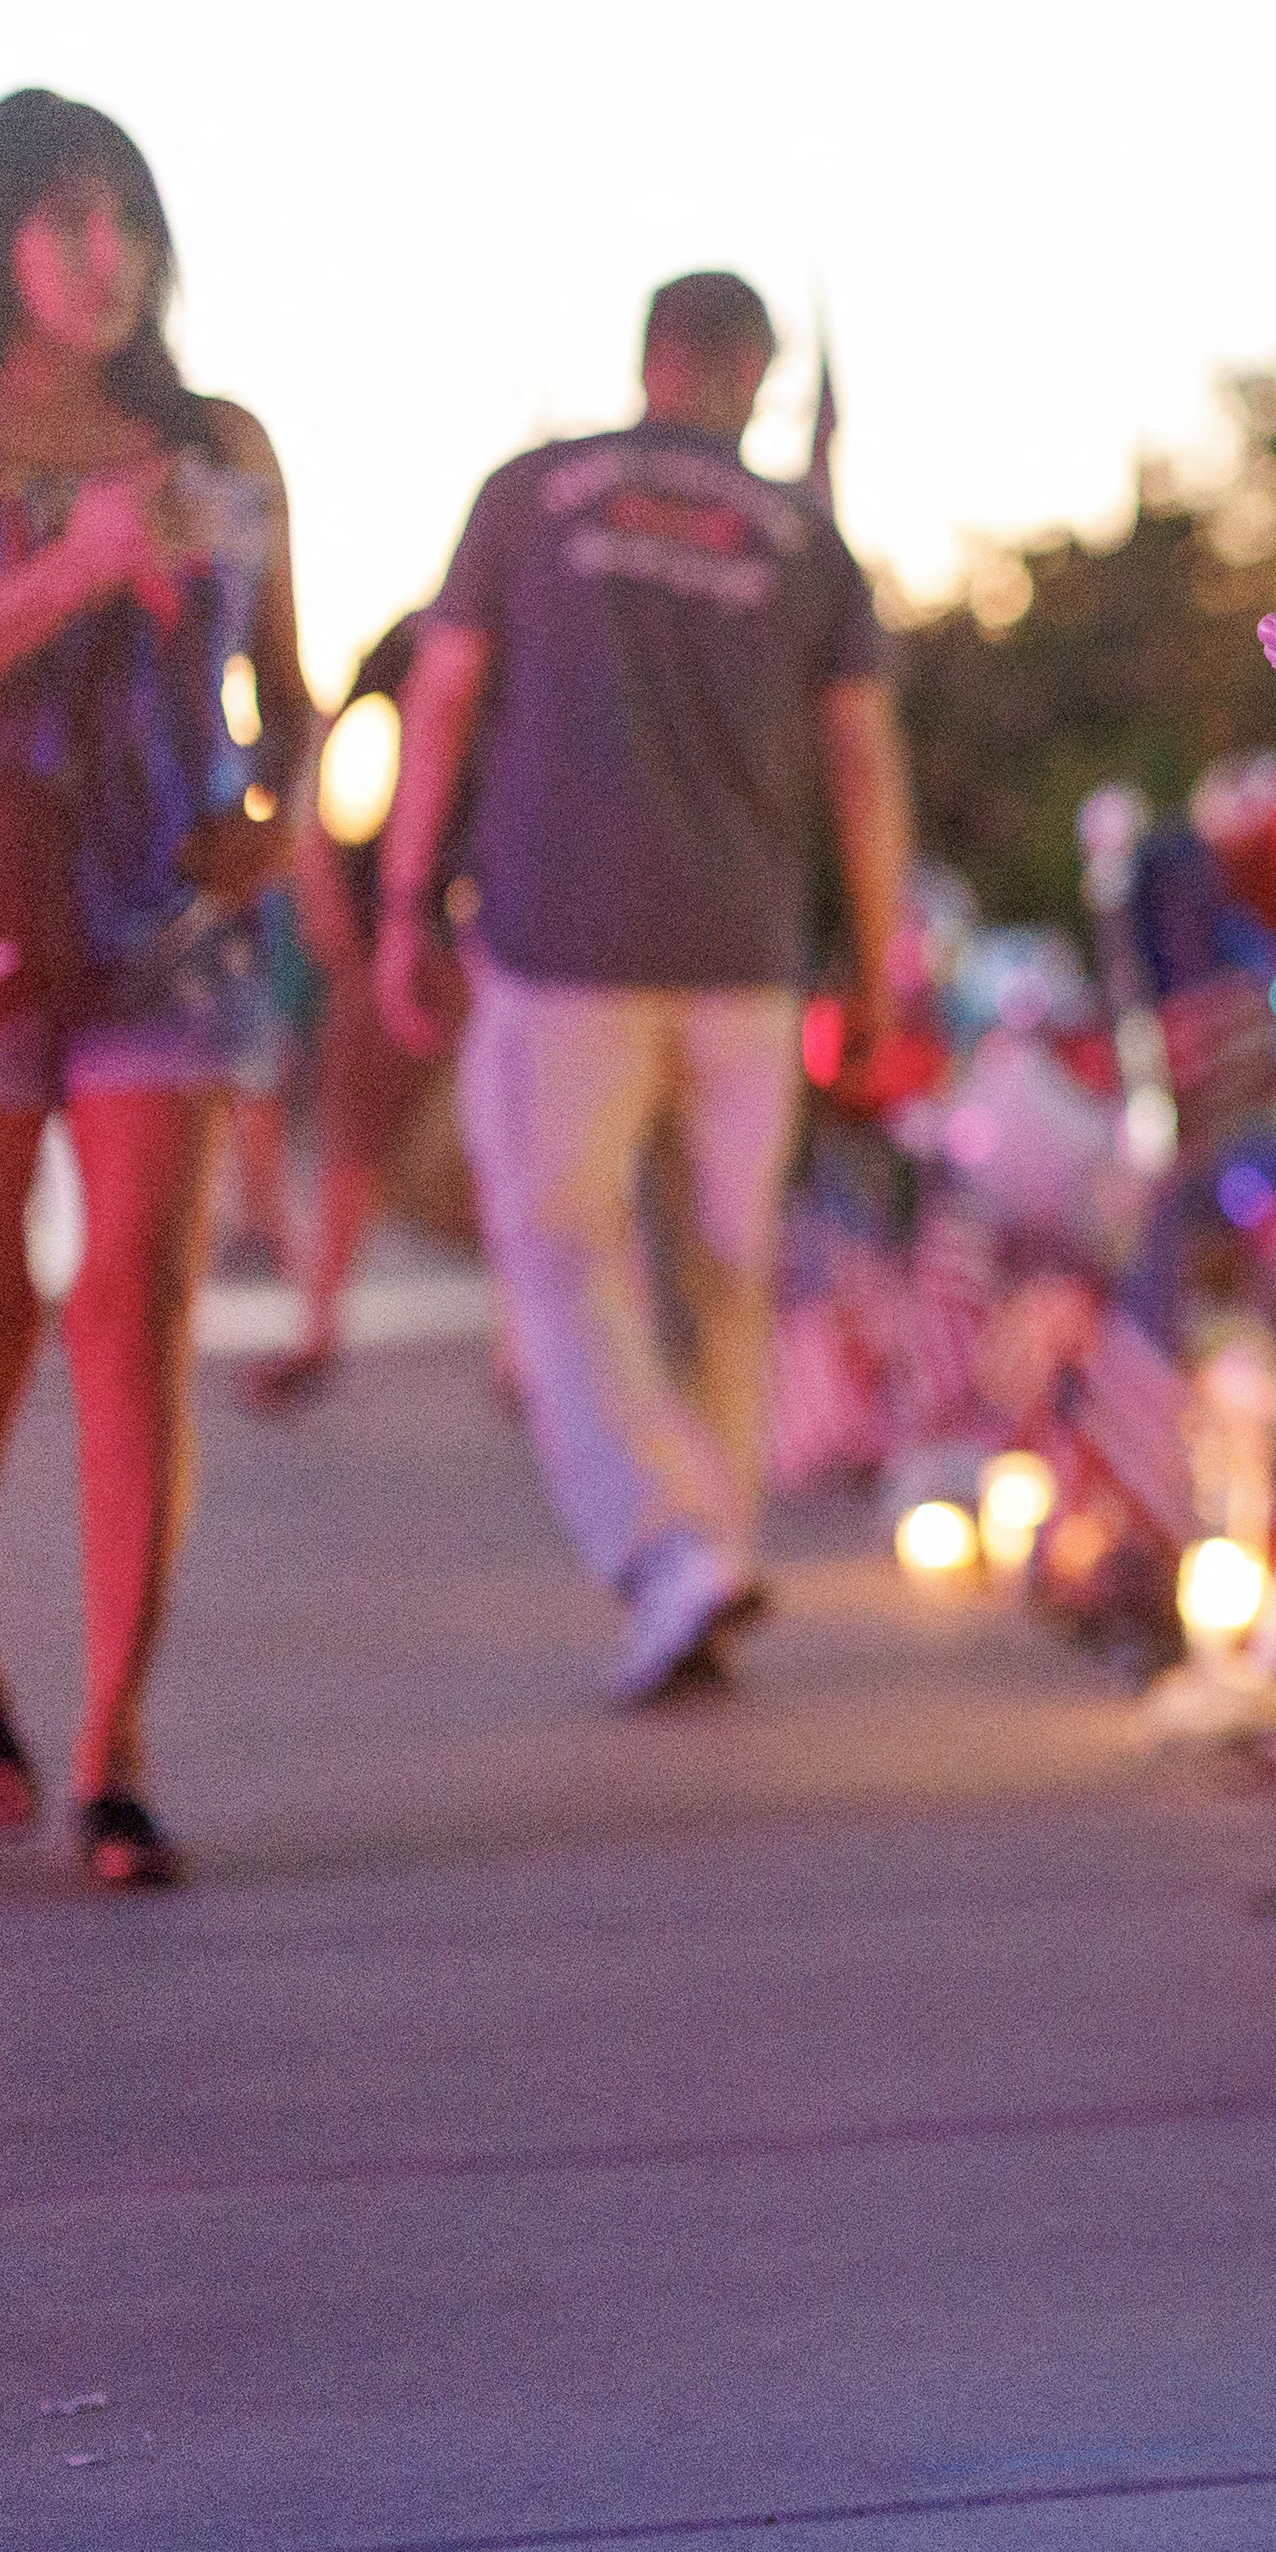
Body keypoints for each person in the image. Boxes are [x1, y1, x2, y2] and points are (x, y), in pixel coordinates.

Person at [0, 91, 324, 1892]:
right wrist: (78, 568)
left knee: (134, 1312)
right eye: (65, 222)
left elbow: (284, 682)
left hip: (162, 932)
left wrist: (283, 813)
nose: (104, 255)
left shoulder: (220, 444)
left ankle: (115, 1745)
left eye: (125, 218)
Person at [373, 272, 910, 1704]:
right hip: (745, 960)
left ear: (654, 358)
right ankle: (709, 1555)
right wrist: (882, 957)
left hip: (564, 948)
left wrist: (401, 896)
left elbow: (443, 695)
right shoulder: (805, 539)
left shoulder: (533, 497)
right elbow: (861, 761)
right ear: (754, 373)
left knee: (560, 1254)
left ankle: (676, 1553)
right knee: (728, 1277)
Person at [242, 607, 454, 1414]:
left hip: (483, 921)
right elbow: (325, 739)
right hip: (392, 921)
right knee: (351, 1128)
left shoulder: (521, 624)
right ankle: (319, 1325)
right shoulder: (415, 636)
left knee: (510, 1136)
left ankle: (523, 1355)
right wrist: (323, 870)